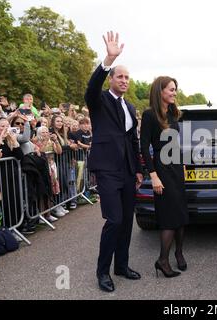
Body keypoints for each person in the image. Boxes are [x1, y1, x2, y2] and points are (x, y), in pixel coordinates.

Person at [84, 31, 144, 292]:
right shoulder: (99, 101)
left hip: (128, 171)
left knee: (128, 221)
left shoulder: (130, 108)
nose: (124, 80)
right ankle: (103, 272)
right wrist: (108, 59)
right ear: (111, 79)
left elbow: (133, 141)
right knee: (115, 220)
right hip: (107, 170)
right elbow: (91, 88)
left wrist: (139, 170)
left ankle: (122, 265)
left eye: (127, 77)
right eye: (120, 76)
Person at [140, 76, 189, 278]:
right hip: (162, 170)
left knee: (180, 214)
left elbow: (176, 143)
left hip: (176, 168)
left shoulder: (173, 113)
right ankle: (163, 260)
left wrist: (183, 163)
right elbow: (144, 148)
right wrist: (154, 176)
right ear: (160, 90)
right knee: (169, 217)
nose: (174, 93)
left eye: (175, 89)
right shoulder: (149, 115)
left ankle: (179, 252)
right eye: (171, 89)